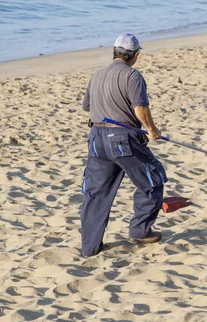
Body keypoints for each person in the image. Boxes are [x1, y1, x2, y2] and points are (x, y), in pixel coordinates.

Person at [80, 33, 168, 257]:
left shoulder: (97, 74)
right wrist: (151, 129)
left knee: (96, 194)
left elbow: (87, 106)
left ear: (114, 52)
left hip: (96, 138)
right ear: (135, 55)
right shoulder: (132, 75)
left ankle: (90, 248)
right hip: (121, 139)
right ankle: (140, 230)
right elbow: (140, 108)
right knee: (153, 178)